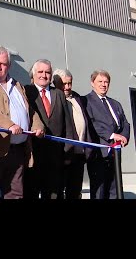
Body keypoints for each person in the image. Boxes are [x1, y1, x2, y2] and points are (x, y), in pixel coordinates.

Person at [0, 46, 44, 199]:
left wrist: (38, 126)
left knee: (16, 194)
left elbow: (29, 111)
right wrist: (10, 125)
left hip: (18, 150)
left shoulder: (17, 85)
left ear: (9, 66)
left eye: (3, 64)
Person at [23, 59, 70, 199]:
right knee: (30, 193)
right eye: (40, 72)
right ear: (34, 74)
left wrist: (67, 152)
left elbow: (67, 124)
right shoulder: (26, 91)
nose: (44, 75)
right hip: (33, 156)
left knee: (53, 194)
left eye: (47, 72)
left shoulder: (59, 94)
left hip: (55, 157)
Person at [84, 70, 130, 199]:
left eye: (106, 82)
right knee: (100, 191)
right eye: (100, 81)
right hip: (99, 153)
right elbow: (91, 123)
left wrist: (124, 137)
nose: (103, 84)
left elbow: (125, 123)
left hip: (115, 154)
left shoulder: (115, 104)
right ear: (92, 83)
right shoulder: (86, 101)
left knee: (115, 190)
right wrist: (112, 135)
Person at [52, 68, 91, 200]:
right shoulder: (54, 97)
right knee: (58, 190)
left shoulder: (77, 98)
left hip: (79, 153)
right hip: (62, 153)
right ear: (56, 83)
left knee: (75, 190)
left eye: (70, 83)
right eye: (64, 84)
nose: (67, 87)